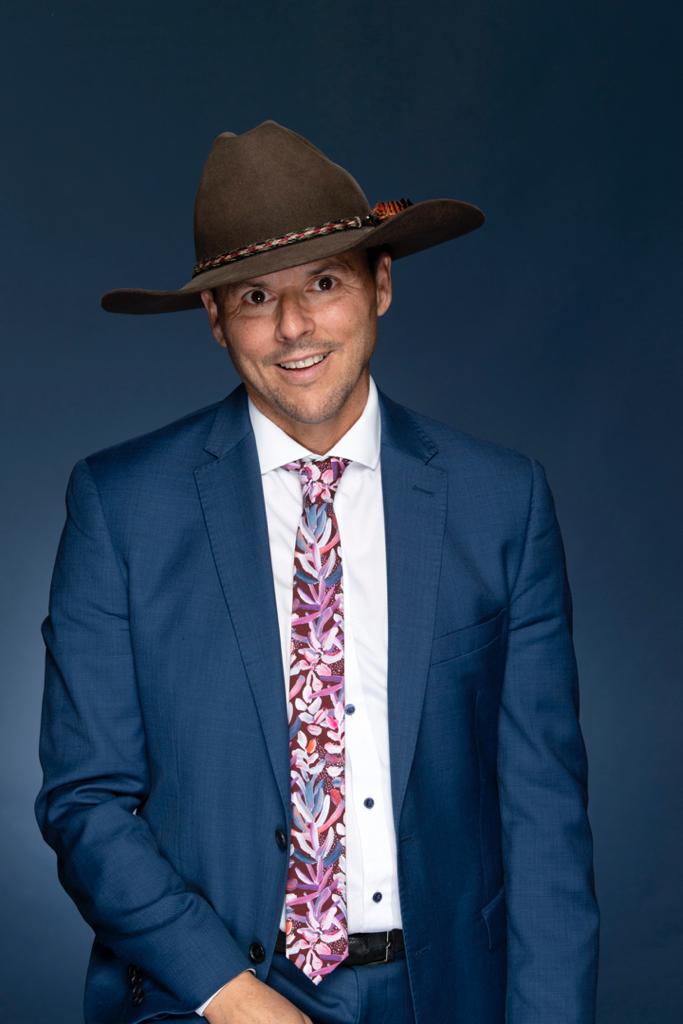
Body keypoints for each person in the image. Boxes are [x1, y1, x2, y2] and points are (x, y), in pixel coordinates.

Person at [35, 120, 600, 1024]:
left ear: (381, 285)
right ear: (215, 320)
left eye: (325, 283)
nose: (293, 326)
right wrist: (230, 996)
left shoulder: (500, 500)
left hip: (443, 992)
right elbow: (86, 800)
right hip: (211, 998)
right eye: (256, 296)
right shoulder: (122, 505)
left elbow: (542, 814)